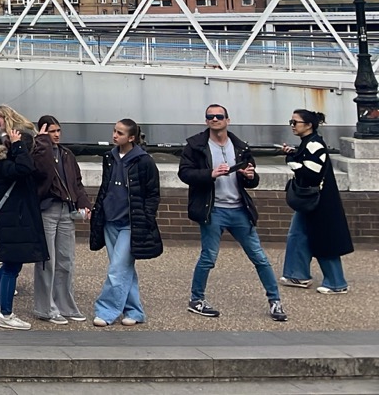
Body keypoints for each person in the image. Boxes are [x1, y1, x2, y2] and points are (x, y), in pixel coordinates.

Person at [178, 103, 285, 322]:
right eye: (210, 116)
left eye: (219, 116)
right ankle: (196, 299)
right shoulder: (195, 146)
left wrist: (250, 176)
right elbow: (185, 173)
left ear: (228, 120)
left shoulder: (240, 147)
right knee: (208, 257)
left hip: (239, 209)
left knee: (259, 257)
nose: (214, 119)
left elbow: (252, 180)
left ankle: (275, 301)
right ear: (206, 120)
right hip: (213, 209)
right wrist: (210, 174)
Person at [89, 118, 162, 327]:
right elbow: (106, 187)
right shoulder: (109, 157)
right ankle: (135, 311)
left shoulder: (144, 161)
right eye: (114, 131)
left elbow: (153, 193)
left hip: (131, 222)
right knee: (122, 268)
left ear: (131, 137)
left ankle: (106, 311)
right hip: (110, 220)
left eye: (120, 133)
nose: (115, 135)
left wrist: (146, 217)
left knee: (117, 268)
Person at [0, 105, 46, 330]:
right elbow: (26, 167)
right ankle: (6, 315)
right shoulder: (7, 166)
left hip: (9, 221)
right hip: (13, 221)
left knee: (8, 263)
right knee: (11, 267)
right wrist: (19, 145)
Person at [278, 109, 351, 294]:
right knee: (297, 235)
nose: (292, 126)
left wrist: (291, 160)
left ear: (309, 125)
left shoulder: (314, 144)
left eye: (295, 122)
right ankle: (297, 274)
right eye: (291, 122)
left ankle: (336, 283)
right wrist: (294, 154)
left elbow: (311, 173)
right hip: (311, 200)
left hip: (319, 201)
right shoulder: (308, 143)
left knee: (324, 239)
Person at [31, 113, 91, 324]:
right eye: (51, 131)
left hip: (67, 208)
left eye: (58, 130)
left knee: (66, 259)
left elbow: (77, 182)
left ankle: (65, 304)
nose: (56, 135)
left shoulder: (67, 154)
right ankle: (45, 308)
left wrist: (84, 202)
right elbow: (42, 172)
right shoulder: (38, 151)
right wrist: (42, 142)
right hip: (47, 208)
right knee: (47, 261)